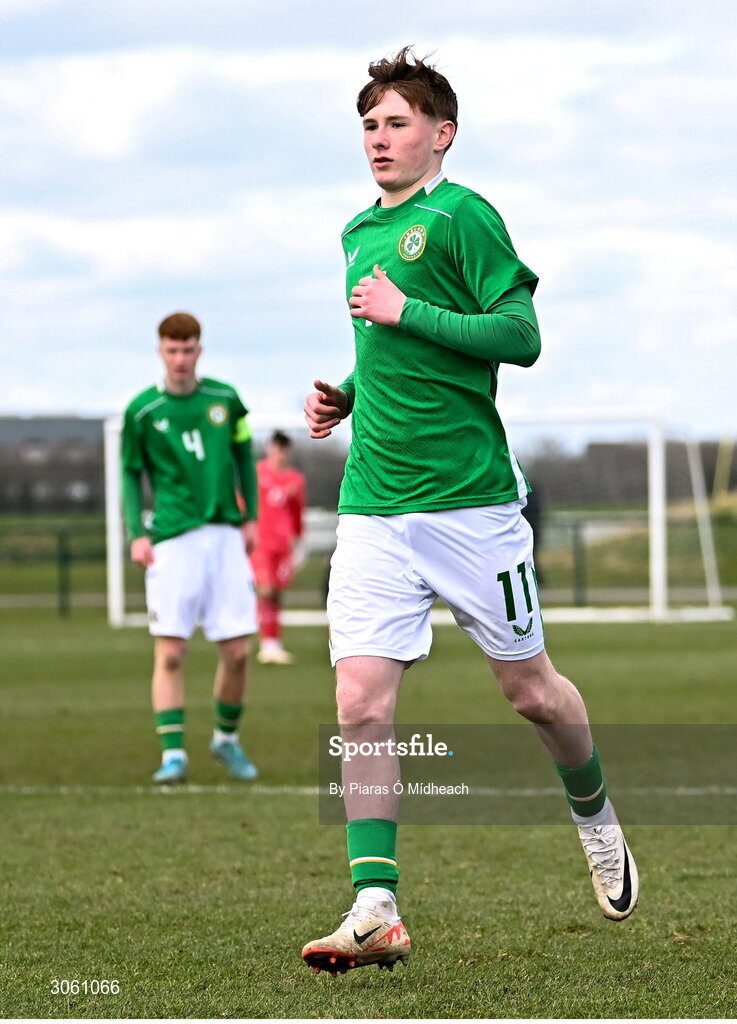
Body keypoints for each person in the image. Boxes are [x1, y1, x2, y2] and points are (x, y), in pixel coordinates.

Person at [301, 47, 638, 975]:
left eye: (396, 122)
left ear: (440, 134)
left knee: (530, 693)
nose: (378, 137)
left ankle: (594, 814)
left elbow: (518, 336)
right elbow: (394, 358)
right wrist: (349, 398)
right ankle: (376, 906)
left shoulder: (465, 216)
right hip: (373, 502)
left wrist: (408, 312)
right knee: (360, 704)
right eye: (368, 124)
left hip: (470, 505)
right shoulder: (354, 233)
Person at [121, 312, 260, 784]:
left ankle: (226, 740)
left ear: (199, 350)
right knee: (172, 653)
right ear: (160, 351)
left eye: (188, 349)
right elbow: (128, 471)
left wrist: (252, 516)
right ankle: (173, 755)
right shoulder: (141, 411)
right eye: (172, 350)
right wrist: (135, 532)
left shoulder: (225, 400)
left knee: (239, 652)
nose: (180, 358)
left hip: (225, 534)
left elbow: (243, 454)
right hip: (172, 540)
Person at [250, 431, 307, 665]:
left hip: (282, 544)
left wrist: (299, 542)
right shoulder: (257, 473)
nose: (279, 453)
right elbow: (244, 501)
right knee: (265, 589)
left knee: (277, 593)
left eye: (284, 449)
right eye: (276, 447)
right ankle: (266, 644)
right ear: (268, 448)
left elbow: (297, 513)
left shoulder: (295, 480)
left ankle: (274, 643)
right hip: (261, 542)